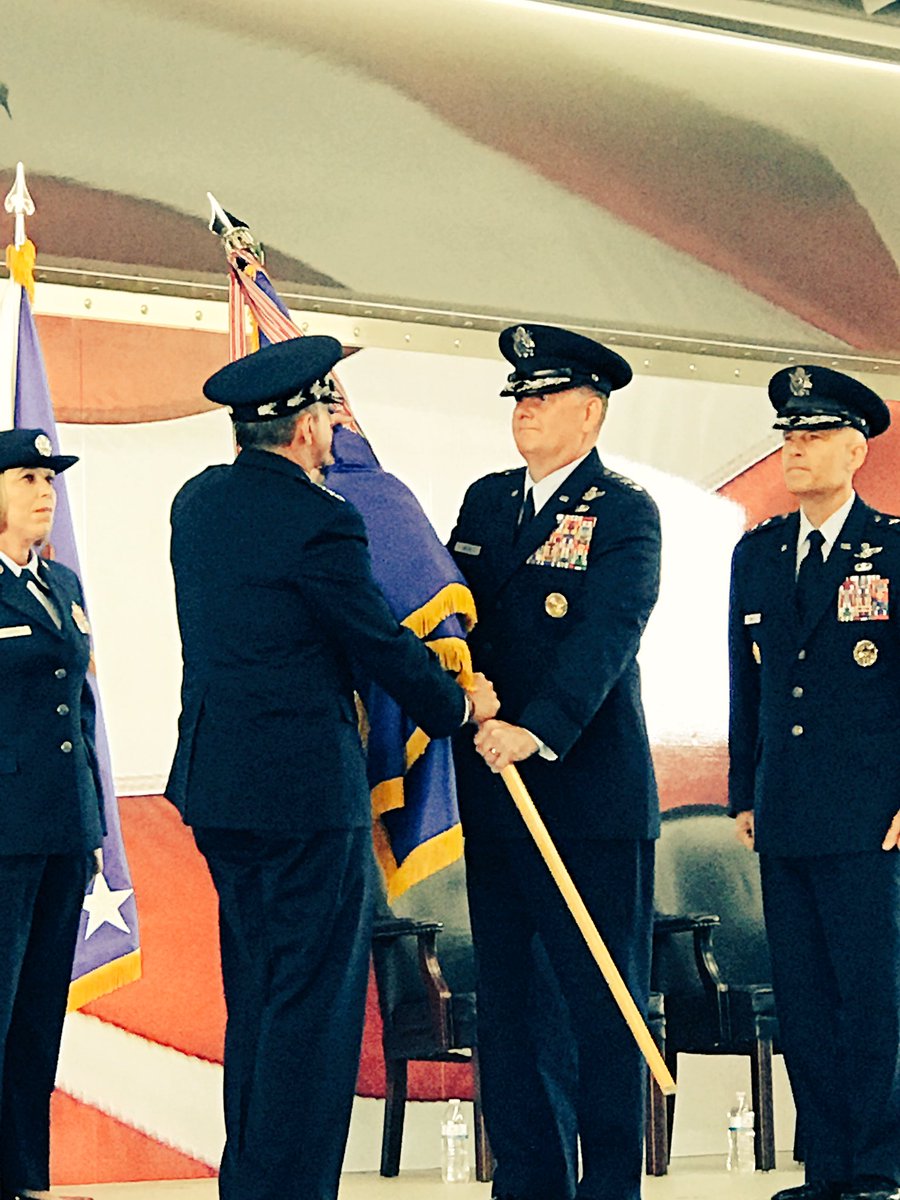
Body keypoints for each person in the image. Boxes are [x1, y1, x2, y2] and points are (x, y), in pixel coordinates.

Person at [166, 336, 497, 1200]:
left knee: (261, 995)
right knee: (314, 1011)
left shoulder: (196, 505)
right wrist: (457, 706)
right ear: (310, 426)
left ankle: (251, 1181)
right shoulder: (322, 519)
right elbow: (376, 642)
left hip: (219, 789)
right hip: (306, 798)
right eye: (328, 414)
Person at [449, 324, 661, 1200]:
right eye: (519, 399)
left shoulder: (624, 510)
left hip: (585, 795)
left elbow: (609, 633)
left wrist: (535, 728)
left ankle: (610, 1183)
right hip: (497, 794)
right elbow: (450, 612)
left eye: (543, 399)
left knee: (600, 999)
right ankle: (530, 1181)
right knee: (509, 1003)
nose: (525, 413)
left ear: (590, 411)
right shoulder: (486, 501)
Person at [728, 366, 900, 1200]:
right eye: (787, 437)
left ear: (855, 448)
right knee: (803, 995)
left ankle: (877, 1163)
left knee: (871, 995)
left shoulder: (894, 550)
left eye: (812, 436)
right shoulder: (759, 553)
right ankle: (825, 1166)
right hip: (787, 807)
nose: (793, 451)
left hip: (873, 813)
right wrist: (743, 791)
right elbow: (747, 684)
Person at [0, 428, 103, 1200]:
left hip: (63, 828)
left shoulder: (60, 585)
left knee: (36, 1016)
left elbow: (81, 710)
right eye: (28, 477)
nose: (45, 491)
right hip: (3, 831)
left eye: (50, 479)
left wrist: (91, 817)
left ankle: (25, 1176)